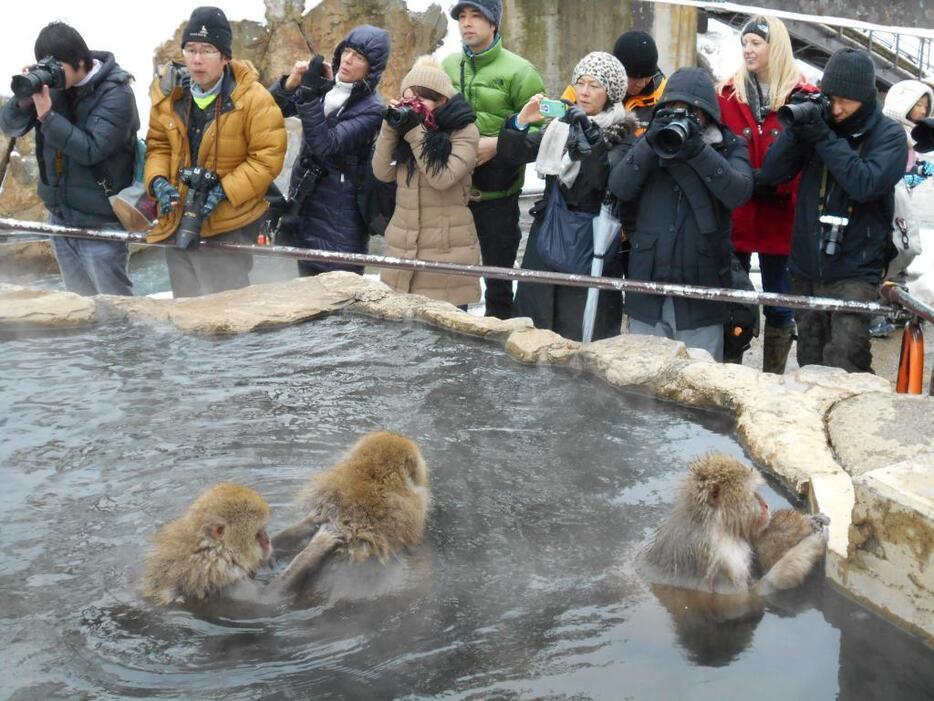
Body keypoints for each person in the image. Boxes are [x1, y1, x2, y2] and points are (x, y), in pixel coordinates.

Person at [758, 48, 906, 373]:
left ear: (866, 98)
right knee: (810, 358)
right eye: (832, 99)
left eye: (846, 102)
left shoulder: (889, 135)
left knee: (846, 357)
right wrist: (797, 131)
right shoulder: (819, 125)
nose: (837, 109)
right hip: (805, 266)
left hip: (856, 268)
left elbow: (865, 183)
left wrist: (823, 136)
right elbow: (770, 174)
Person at [608, 68, 754, 361]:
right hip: (647, 286)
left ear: (708, 115)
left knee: (697, 385)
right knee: (643, 382)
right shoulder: (649, 142)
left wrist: (698, 149)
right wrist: (651, 141)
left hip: (701, 291)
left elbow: (738, 192)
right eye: (673, 108)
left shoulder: (728, 145)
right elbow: (619, 186)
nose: (680, 117)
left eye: (691, 112)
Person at [144, 6, 286, 298]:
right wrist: (158, 181)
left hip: (229, 223)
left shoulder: (253, 98)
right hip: (177, 218)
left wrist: (223, 190)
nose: (197, 59)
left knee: (227, 313)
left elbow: (267, 158)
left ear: (225, 57)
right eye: (190, 49)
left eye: (207, 50)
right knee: (186, 310)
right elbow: (157, 145)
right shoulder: (171, 96)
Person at [500, 52, 635, 340]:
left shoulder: (623, 134)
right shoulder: (560, 125)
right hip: (547, 238)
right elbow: (511, 154)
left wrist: (590, 141)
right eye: (580, 83)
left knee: (579, 338)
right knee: (533, 330)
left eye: (594, 85)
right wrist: (521, 121)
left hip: (590, 245)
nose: (584, 92)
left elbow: (601, 182)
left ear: (611, 92)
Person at [0, 22, 137, 296]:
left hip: (101, 220)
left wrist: (48, 117)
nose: (53, 73)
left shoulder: (116, 93)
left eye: (57, 66)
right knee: (79, 306)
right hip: (60, 216)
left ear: (81, 61)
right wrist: (24, 98)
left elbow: (91, 149)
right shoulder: (54, 86)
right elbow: (10, 127)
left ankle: (123, 342)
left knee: (116, 310)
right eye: (46, 65)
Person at [717, 15, 816, 372]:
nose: (748, 50)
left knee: (780, 302)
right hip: (738, 214)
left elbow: (810, 156)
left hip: (782, 215)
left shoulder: (804, 97)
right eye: (744, 43)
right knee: (734, 298)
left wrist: (781, 184)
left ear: (775, 47)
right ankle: (730, 370)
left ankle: (772, 378)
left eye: (756, 43)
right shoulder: (726, 93)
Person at [442, 0, 545, 319]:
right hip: (452, 191)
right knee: (449, 284)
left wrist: (497, 145)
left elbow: (540, 135)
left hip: (498, 195)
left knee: (499, 285)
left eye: (476, 16)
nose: (467, 23)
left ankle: (499, 357)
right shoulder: (447, 65)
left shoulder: (521, 71)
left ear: (494, 24)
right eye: (462, 16)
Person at [269, 25, 389, 277]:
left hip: (340, 220)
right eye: (347, 51)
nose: (348, 59)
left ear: (372, 68)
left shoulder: (372, 109)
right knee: (305, 296)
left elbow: (326, 144)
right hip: (305, 209)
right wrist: (291, 84)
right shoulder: (326, 88)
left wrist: (310, 96)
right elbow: (270, 109)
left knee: (338, 300)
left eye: (359, 57)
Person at [372, 56, 481, 307]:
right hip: (403, 244)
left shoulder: (464, 130)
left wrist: (415, 133)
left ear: (442, 100)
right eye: (408, 99)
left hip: (446, 250)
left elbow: (442, 178)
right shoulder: (408, 128)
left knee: (446, 341)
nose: (414, 106)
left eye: (421, 99)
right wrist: (390, 127)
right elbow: (382, 173)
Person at [868, 79, 934, 337]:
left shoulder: (918, 137)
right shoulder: (892, 133)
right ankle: (878, 310)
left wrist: (913, 178)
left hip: (901, 201)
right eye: (917, 105)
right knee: (889, 249)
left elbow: (913, 171)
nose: (922, 111)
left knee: (902, 250)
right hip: (886, 203)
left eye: (926, 106)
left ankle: (894, 302)